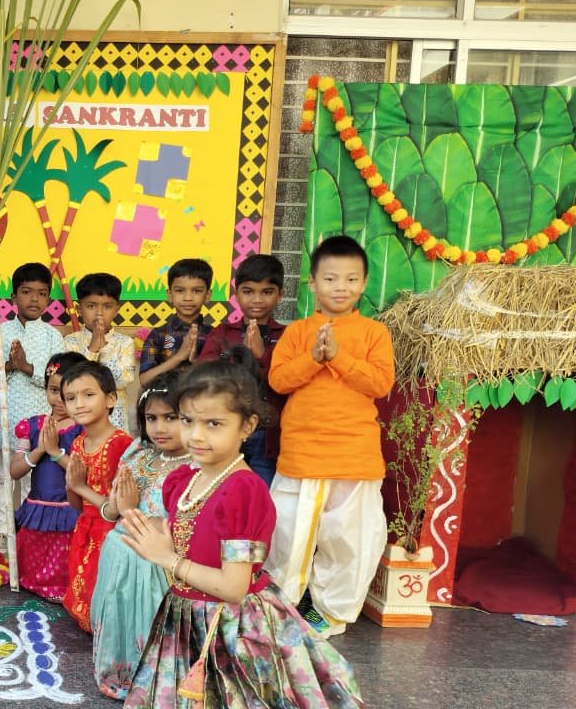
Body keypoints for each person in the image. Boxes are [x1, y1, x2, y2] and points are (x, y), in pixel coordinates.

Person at [118, 359, 435, 709]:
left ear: (247, 427)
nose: (196, 435)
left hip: (235, 626)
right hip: (189, 617)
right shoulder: (181, 480)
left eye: (214, 424)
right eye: (187, 420)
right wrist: (146, 529)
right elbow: (184, 541)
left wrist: (168, 559)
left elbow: (234, 586)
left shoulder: (244, 491)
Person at [263, 236, 394, 639]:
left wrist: (338, 356)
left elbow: (380, 383)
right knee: (287, 536)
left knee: (348, 542)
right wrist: (315, 357)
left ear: (364, 282)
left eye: (351, 279)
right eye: (332, 278)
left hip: (353, 456)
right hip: (301, 454)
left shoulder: (374, 332)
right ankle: (279, 607)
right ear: (312, 283)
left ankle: (327, 614)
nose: (342, 287)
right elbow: (279, 380)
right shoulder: (299, 332)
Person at [89, 375, 189, 700]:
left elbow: (181, 528)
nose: (160, 428)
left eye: (170, 418)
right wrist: (117, 507)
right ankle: (117, 675)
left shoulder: (195, 466)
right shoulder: (137, 454)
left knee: (147, 623)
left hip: (152, 564)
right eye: (152, 418)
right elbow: (110, 510)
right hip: (118, 552)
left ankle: (149, 686)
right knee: (117, 617)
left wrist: (132, 511)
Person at [0, 262, 65, 541]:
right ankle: (1, 534)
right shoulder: (1, 331)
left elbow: (60, 377)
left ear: (49, 300)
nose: (34, 299)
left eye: (42, 293)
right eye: (27, 292)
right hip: (5, 420)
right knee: (1, 477)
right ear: (13, 298)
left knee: (35, 478)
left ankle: (30, 533)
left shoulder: (54, 336)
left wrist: (28, 367)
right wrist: (10, 364)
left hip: (39, 423)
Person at [197, 253, 286, 485]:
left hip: (269, 438)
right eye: (248, 291)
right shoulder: (223, 333)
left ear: (280, 295)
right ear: (236, 294)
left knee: (261, 494)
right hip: (226, 432)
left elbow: (287, 383)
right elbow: (205, 377)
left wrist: (260, 357)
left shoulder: (288, 336)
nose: (257, 299)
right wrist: (242, 359)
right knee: (220, 491)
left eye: (266, 292)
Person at [60, 360, 133, 631]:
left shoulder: (120, 444)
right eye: (70, 398)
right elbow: (76, 504)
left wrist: (79, 486)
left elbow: (119, 508)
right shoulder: (78, 442)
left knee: (101, 598)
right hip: (86, 528)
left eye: (88, 395)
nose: (79, 403)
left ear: (111, 398)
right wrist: (73, 485)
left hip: (111, 533)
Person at [9, 352, 86, 602]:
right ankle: (34, 585)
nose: (60, 400)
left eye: (68, 394)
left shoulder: (84, 430)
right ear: (45, 388)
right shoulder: (31, 426)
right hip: (37, 509)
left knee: (67, 562)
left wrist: (54, 452)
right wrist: (40, 448)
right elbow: (14, 470)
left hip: (69, 510)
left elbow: (82, 473)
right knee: (32, 565)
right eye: (54, 390)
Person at [63, 272, 135, 431]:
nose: (99, 313)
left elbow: (123, 381)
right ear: (79, 309)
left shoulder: (125, 343)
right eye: (91, 306)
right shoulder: (70, 342)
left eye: (107, 306)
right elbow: (73, 382)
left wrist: (105, 349)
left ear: (117, 309)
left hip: (115, 425)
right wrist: (93, 349)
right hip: (80, 426)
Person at [139, 258, 214, 387]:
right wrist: (179, 356)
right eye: (180, 291)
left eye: (196, 291)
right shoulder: (158, 334)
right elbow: (145, 380)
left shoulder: (214, 335)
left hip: (201, 404)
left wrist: (197, 360)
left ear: (207, 295)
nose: (188, 298)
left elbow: (222, 379)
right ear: (170, 295)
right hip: (164, 404)